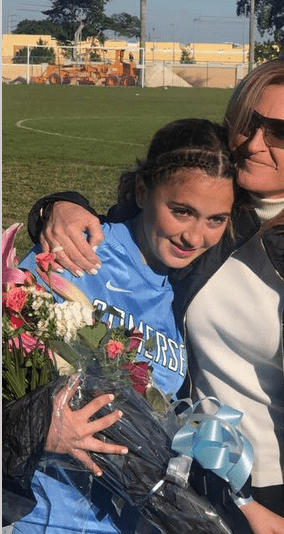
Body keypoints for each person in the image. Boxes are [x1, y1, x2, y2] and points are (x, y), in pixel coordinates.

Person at [23, 57, 284, 534]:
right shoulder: (210, 217)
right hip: (207, 488)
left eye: (283, 133)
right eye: (249, 122)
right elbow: (127, 221)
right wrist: (57, 207)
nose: (253, 142)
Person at [5, 117, 237, 534]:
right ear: (144, 191)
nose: (194, 237)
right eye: (181, 211)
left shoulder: (189, 291)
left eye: (215, 220)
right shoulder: (75, 253)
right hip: (39, 519)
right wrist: (40, 428)